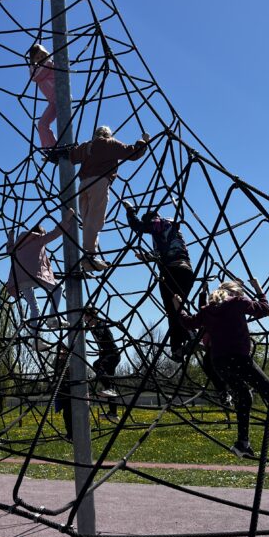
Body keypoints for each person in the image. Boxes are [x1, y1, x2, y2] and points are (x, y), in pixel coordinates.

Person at [174, 278, 269, 459]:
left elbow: (188, 323)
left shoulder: (208, 310)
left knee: (244, 395)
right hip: (238, 358)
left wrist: (178, 306)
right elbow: (264, 309)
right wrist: (258, 289)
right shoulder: (238, 301)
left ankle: (242, 443)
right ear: (235, 291)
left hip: (219, 363)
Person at [66, 126, 150, 271]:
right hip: (99, 182)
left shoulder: (87, 145)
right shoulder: (110, 143)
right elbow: (133, 153)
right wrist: (144, 141)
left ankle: (88, 256)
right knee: (95, 219)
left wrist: (66, 150)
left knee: (87, 220)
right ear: (107, 134)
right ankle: (89, 257)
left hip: (83, 184)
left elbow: (72, 156)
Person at [123, 202, 195, 361]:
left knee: (172, 309)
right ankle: (179, 347)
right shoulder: (172, 230)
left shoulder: (161, 223)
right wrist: (147, 257)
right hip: (186, 271)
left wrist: (130, 211)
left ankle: (189, 335)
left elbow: (139, 227)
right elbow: (165, 252)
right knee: (175, 308)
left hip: (173, 271)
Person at [6, 209, 73, 346]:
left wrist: (11, 237)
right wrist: (66, 219)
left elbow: (9, 250)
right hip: (34, 276)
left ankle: (35, 340)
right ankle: (52, 317)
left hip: (19, 281)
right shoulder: (38, 240)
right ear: (40, 233)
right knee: (58, 288)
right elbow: (55, 233)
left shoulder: (18, 245)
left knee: (34, 308)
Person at [83, 306, 120, 420]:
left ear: (91, 316)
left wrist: (90, 328)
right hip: (107, 355)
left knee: (97, 365)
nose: (85, 321)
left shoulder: (101, 324)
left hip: (112, 355)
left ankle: (110, 391)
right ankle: (113, 413)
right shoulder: (94, 325)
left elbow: (101, 332)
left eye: (86, 318)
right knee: (109, 386)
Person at [28, 43, 57, 149]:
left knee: (62, 123)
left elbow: (36, 77)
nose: (41, 58)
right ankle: (51, 147)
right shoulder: (38, 68)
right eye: (38, 57)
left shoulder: (49, 64)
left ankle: (57, 146)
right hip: (52, 101)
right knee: (42, 124)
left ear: (46, 54)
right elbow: (34, 76)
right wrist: (33, 65)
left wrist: (33, 65)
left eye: (42, 55)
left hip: (59, 97)